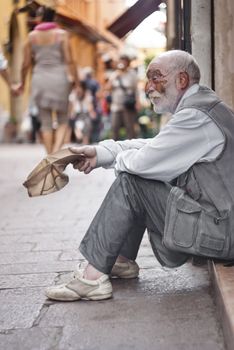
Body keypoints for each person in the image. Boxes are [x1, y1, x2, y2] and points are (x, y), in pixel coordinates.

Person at [46, 49, 234, 302]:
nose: (148, 87)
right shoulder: (202, 109)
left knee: (132, 181)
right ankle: (120, 260)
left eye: (157, 78)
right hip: (221, 228)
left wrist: (119, 160)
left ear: (181, 80)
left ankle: (91, 279)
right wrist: (102, 152)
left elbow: (144, 162)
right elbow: (155, 147)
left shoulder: (196, 117)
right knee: (137, 175)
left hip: (221, 234)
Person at [20, 6, 79, 154]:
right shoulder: (62, 35)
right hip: (59, 79)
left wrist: (21, 82)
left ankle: (50, 158)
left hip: (39, 79)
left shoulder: (31, 36)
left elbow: (25, 64)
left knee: (45, 122)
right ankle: (54, 158)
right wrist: (77, 82)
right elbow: (70, 61)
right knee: (63, 120)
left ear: (40, 18)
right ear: (54, 18)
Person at [107, 54, 139, 140]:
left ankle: (132, 147)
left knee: (130, 128)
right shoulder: (115, 74)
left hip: (127, 104)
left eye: (124, 62)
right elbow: (107, 88)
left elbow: (136, 89)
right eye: (121, 61)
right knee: (114, 127)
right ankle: (113, 148)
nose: (122, 63)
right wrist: (115, 76)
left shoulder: (132, 74)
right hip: (116, 105)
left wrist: (138, 102)